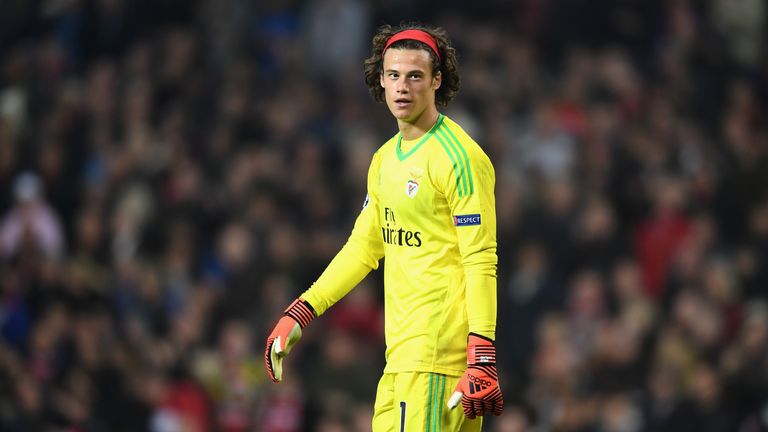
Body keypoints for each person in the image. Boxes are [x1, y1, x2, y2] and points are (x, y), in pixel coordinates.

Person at [265, 22, 503, 431]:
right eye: (393, 75)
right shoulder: (383, 161)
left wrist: (482, 353)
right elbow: (362, 249)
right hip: (400, 358)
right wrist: (301, 311)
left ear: (437, 80)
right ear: (380, 79)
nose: (402, 86)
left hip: (437, 359)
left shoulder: (459, 157)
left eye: (415, 76)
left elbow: (480, 257)